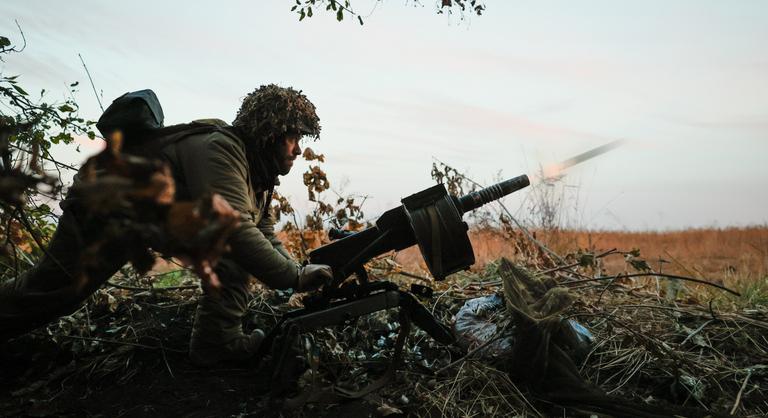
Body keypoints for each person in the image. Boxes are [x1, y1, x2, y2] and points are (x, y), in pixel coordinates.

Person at [0, 84, 333, 366]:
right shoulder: (222, 149)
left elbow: (261, 233)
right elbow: (234, 229)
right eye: (292, 138)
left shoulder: (258, 174)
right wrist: (295, 277)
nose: (298, 149)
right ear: (268, 132)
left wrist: (299, 270)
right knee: (54, 291)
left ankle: (216, 344)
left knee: (233, 255)